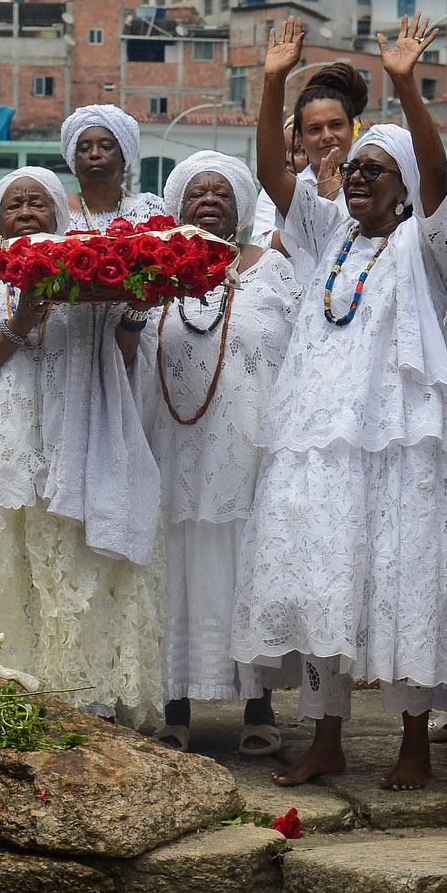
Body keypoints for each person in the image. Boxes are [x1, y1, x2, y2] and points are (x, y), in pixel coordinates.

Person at [233, 13, 447, 791]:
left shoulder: (431, 244)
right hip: (318, 444)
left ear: (406, 184)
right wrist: (274, 78)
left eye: (377, 168)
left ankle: (414, 740)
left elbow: (440, 177)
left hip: (404, 447)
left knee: (403, 580)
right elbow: (276, 177)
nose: (358, 176)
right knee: (322, 583)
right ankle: (328, 737)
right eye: (353, 168)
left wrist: (408, 88)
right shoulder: (325, 235)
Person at [0, 166, 166, 722]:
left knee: (72, 572)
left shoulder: (96, 275)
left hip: (77, 451)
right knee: (4, 575)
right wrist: (24, 317)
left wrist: (135, 305)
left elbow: (125, 358)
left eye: (40, 202)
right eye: (16, 204)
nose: (28, 210)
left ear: (61, 214)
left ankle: (83, 704)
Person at [142, 151, 299, 755]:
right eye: (197, 193)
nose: (209, 202)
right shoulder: (151, 270)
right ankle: (174, 707)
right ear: (177, 206)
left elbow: (294, 358)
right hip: (170, 446)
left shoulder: (273, 272)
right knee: (174, 567)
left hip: (247, 446)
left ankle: (258, 707)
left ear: (242, 208)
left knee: (245, 567)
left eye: (223, 194)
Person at [249, 63, 367, 243]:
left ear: (352, 129)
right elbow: (262, 250)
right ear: (301, 139)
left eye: (336, 125)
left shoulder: (371, 186)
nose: (327, 136)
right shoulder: (282, 191)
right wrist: (320, 204)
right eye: (315, 129)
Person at [61, 104, 169, 228]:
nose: (94, 154)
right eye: (85, 148)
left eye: (106, 147)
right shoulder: (57, 213)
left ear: (123, 158)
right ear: (74, 160)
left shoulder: (152, 209)